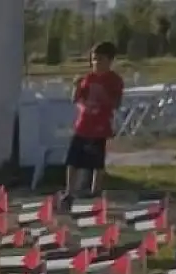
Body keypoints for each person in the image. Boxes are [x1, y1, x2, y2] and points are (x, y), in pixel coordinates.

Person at [61, 41, 124, 208]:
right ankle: (69, 191)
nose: (96, 63)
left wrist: (104, 98)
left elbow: (117, 103)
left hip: (99, 126)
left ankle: (95, 191)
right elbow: (76, 99)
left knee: (97, 161)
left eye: (100, 59)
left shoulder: (114, 80)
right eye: (94, 59)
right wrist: (76, 87)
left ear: (110, 61)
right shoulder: (88, 78)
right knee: (73, 160)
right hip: (83, 124)